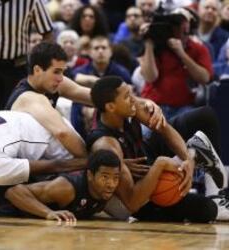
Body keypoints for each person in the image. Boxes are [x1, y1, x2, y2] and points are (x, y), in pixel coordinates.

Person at [86, 76, 229, 222]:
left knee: (205, 116)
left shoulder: (129, 107)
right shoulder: (106, 145)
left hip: (145, 156)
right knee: (207, 210)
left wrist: (187, 160)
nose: (134, 98)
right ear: (111, 107)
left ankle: (216, 190)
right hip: (143, 196)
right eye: (127, 96)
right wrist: (160, 165)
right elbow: (132, 203)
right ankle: (195, 156)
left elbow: (164, 129)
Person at [6, 42, 165, 159]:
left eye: (63, 72)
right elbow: (63, 133)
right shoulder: (29, 98)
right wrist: (96, 163)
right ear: (37, 70)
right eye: (56, 72)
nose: (61, 78)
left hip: (43, 153)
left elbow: (97, 97)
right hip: (25, 161)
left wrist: (143, 103)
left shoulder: (53, 83)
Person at [5, 149, 122, 221]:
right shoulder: (66, 188)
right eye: (105, 177)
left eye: (115, 178)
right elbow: (13, 192)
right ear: (90, 175)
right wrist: (48, 213)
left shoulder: (104, 191)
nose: (111, 184)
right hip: (2, 210)